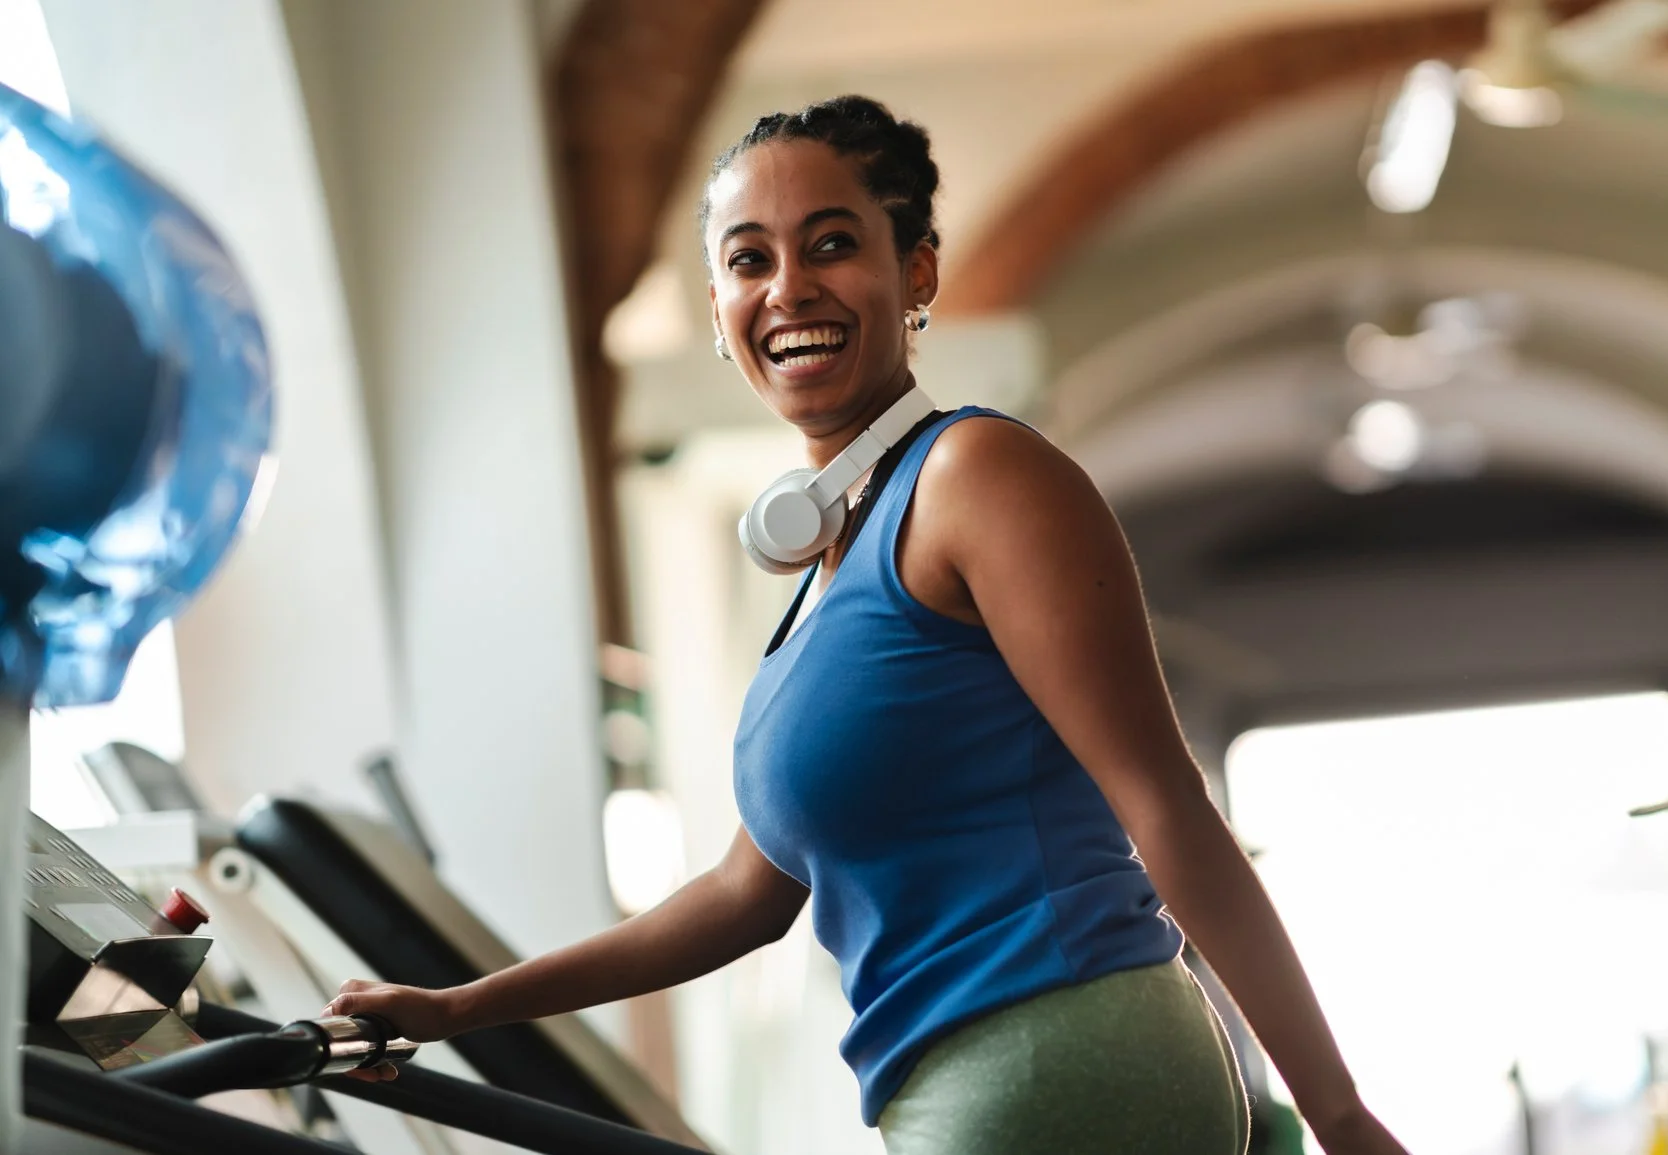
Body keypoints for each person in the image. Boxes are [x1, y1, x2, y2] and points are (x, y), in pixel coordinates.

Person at [324, 95, 1408, 1155]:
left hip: (1051, 1055)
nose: (788, 287)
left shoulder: (976, 476)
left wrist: (1338, 1113)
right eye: (749, 260)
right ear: (718, 310)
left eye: (831, 244)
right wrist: (457, 1010)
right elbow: (742, 895)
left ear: (916, 271)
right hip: (969, 1083)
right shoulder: (824, 588)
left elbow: (1163, 802)